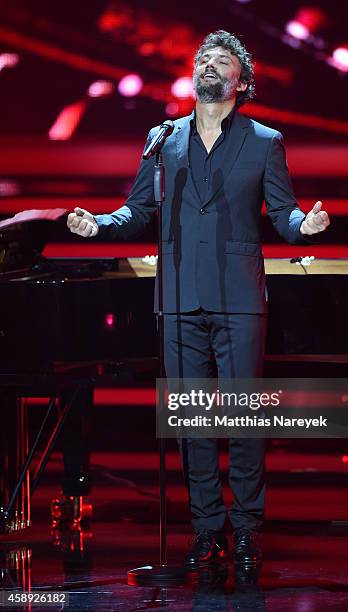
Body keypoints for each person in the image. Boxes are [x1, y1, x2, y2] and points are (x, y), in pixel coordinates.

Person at [67, 30, 330, 566]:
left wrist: (308, 225)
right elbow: (138, 210)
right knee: (192, 425)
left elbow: (284, 214)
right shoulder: (165, 139)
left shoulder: (265, 141)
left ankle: (248, 531)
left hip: (237, 299)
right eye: (202, 59)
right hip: (179, 297)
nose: (208, 65)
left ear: (242, 81)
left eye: (221, 60)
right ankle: (207, 530)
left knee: (245, 422)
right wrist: (99, 225)